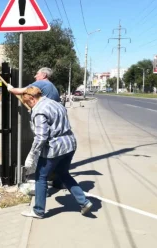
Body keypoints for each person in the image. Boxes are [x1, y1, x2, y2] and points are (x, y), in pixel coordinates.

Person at [19, 86, 92, 218]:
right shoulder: (55, 103)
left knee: (41, 177)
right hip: (69, 144)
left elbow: (41, 136)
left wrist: (32, 154)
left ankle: (38, 211)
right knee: (63, 173)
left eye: (28, 102)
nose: (28, 105)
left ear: (32, 98)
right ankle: (84, 202)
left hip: (54, 148)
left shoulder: (40, 110)